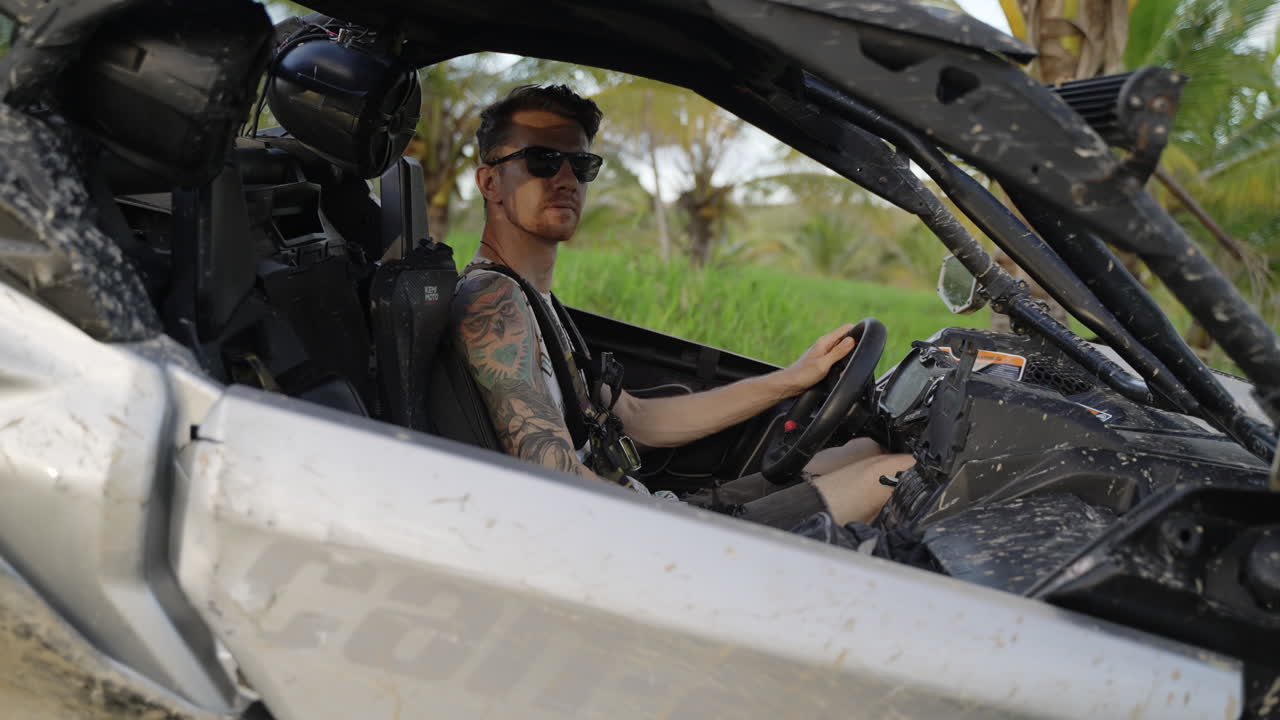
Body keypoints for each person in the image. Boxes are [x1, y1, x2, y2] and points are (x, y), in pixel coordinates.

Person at [453, 84, 914, 530]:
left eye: (581, 164)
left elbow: (637, 420)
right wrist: (679, 526)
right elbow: (555, 480)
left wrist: (791, 379)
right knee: (895, 476)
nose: (566, 179)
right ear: (490, 182)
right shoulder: (494, 300)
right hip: (639, 534)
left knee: (868, 452)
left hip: (648, 508)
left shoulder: (537, 301)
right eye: (543, 160)